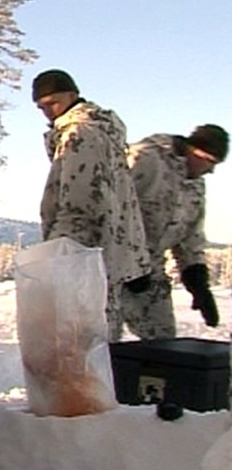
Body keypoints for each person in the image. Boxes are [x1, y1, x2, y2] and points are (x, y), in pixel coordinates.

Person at [31, 69, 151, 340]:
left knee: (85, 349)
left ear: (72, 95)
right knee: (103, 341)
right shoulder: (103, 132)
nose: (48, 112)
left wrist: (56, 259)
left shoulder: (80, 134)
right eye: (41, 107)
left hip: (84, 260)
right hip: (106, 256)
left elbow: (80, 206)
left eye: (53, 103)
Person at [119, 124, 228, 338]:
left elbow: (191, 236)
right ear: (194, 151)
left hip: (151, 271)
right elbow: (110, 208)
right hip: (109, 269)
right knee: (98, 341)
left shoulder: (195, 185)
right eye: (211, 162)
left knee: (163, 340)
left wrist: (198, 284)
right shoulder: (145, 159)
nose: (211, 171)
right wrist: (129, 261)